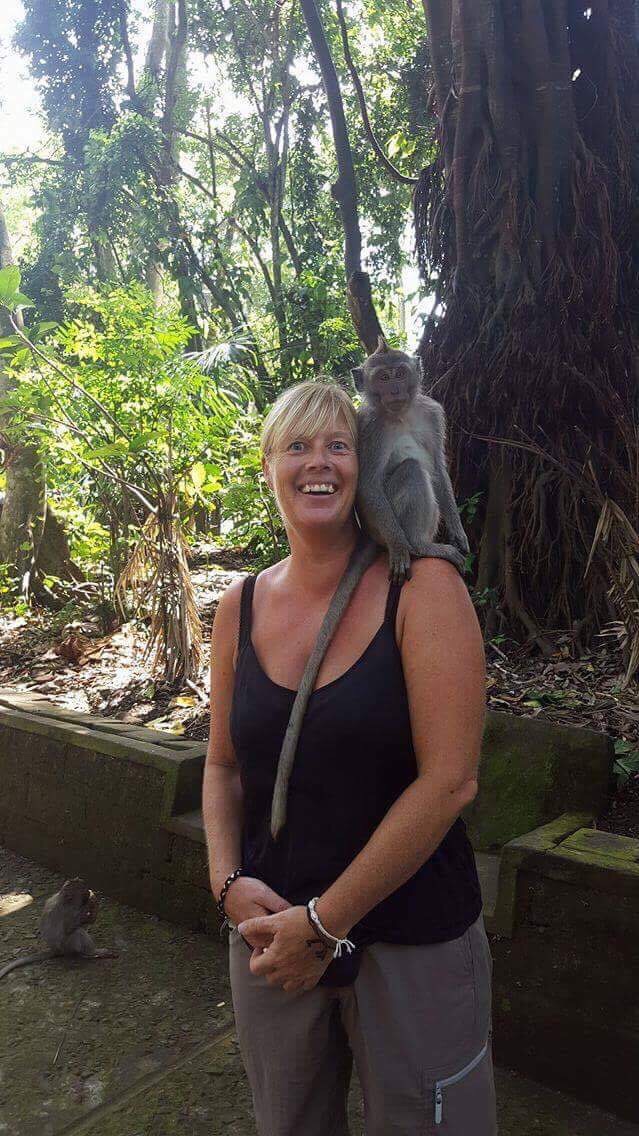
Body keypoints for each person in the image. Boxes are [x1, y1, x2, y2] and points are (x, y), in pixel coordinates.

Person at [203, 380, 497, 1136]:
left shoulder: (420, 585)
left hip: (409, 932)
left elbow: (450, 781)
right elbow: (223, 767)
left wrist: (325, 924)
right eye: (297, 447)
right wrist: (226, 882)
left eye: (338, 446)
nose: (319, 463)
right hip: (271, 930)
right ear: (268, 466)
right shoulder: (239, 604)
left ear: (365, 465)